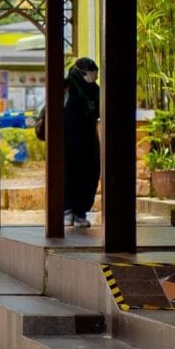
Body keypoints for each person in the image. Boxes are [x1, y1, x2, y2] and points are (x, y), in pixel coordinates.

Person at [60, 58, 101, 229]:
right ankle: (67, 210)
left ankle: (80, 212)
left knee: (90, 173)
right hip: (68, 138)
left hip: (88, 138)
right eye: (90, 72)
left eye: (94, 72)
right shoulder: (67, 86)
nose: (92, 75)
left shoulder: (96, 90)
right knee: (69, 172)